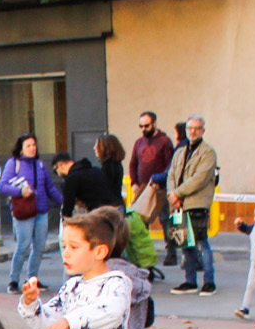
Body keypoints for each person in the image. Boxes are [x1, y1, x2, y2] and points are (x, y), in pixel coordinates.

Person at [0, 135, 60, 293]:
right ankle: (13, 280)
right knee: (23, 246)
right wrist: (20, 192)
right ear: (21, 148)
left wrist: (63, 201)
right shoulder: (14, 163)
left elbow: (49, 187)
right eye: (28, 145)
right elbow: (3, 186)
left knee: (39, 247)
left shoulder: (40, 164)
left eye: (34, 145)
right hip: (24, 211)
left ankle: (32, 278)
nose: (32, 148)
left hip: (41, 210)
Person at [166, 117, 219, 294]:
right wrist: (172, 195)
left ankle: (209, 282)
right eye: (190, 128)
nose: (193, 131)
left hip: (196, 203)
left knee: (202, 243)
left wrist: (178, 193)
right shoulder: (180, 152)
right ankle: (190, 281)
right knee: (185, 243)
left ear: (203, 131)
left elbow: (200, 178)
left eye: (197, 128)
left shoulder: (208, 152)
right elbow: (171, 175)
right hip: (178, 204)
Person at [129, 111, 175, 265]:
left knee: (165, 220)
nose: (143, 129)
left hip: (159, 187)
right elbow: (133, 163)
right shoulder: (139, 142)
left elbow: (171, 165)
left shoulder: (164, 141)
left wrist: (161, 180)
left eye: (146, 125)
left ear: (154, 123)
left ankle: (171, 252)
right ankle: (144, 254)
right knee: (141, 221)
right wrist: (134, 182)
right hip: (142, 187)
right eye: (141, 126)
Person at [57, 134, 125, 217]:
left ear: (106, 148)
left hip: (109, 210)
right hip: (117, 205)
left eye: (98, 145)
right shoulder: (116, 165)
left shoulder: (108, 168)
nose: (95, 148)